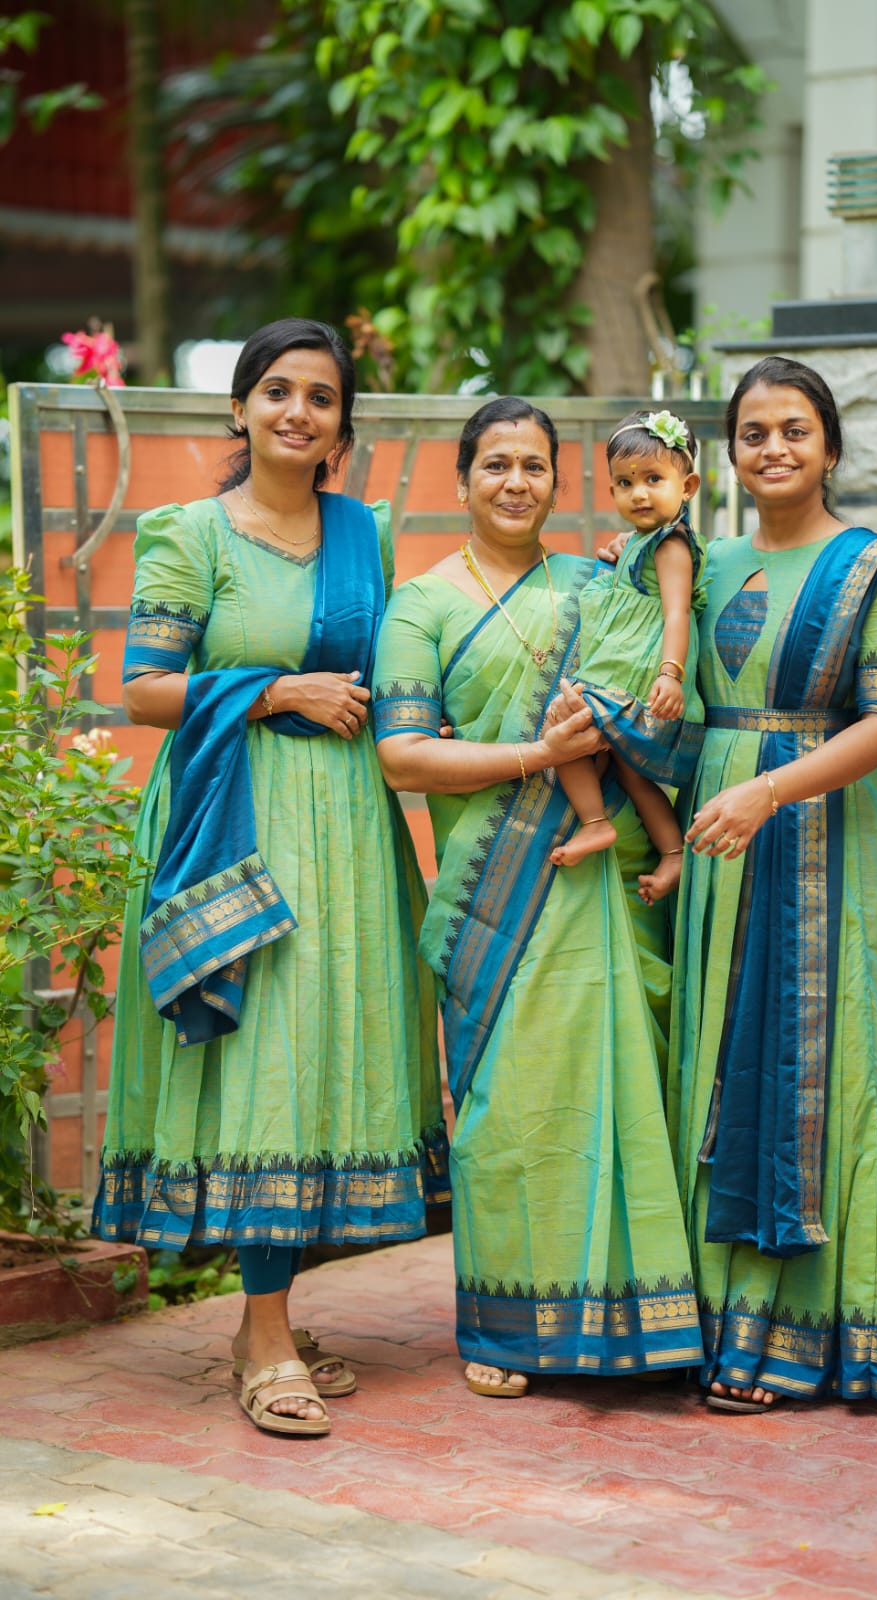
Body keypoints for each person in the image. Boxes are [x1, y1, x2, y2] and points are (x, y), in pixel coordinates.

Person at [92, 318, 447, 1439]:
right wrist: (276, 691)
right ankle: (264, 1333)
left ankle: (273, 1318)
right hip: (234, 817)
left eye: (322, 397)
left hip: (347, 825)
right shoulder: (188, 534)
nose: (299, 411)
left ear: (344, 423)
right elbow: (144, 689)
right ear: (239, 408)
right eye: (277, 391)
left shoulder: (363, 535)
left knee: (327, 1059)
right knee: (261, 1063)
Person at [372, 395, 703, 1397]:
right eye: (495, 464)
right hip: (494, 895)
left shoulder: (601, 583)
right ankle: (507, 1327)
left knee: (623, 1086)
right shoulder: (421, 603)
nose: (515, 480)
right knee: (511, 1109)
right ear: (462, 479)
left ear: (559, 483)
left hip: (606, 883)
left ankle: (641, 1317)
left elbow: (665, 717)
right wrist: (535, 753)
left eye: (534, 465)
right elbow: (401, 754)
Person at [668, 356, 877, 1410]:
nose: (773, 448)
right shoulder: (703, 560)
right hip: (718, 854)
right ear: (727, 453)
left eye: (795, 430)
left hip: (832, 844)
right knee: (715, 1061)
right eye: (752, 433)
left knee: (834, 1075)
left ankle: (819, 1332)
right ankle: (712, 1323)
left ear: (830, 447)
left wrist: (767, 794)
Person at [548, 409, 704, 907]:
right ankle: (673, 851)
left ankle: (595, 823)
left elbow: (677, 613)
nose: (639, 493)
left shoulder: (670, 545)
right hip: (623, 671)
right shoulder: (639, 543)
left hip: (640, 676)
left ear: (688, 486)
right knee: (631, 772)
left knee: (564, 727)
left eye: (654, 479)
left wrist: (671, 674)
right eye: (624, 483)